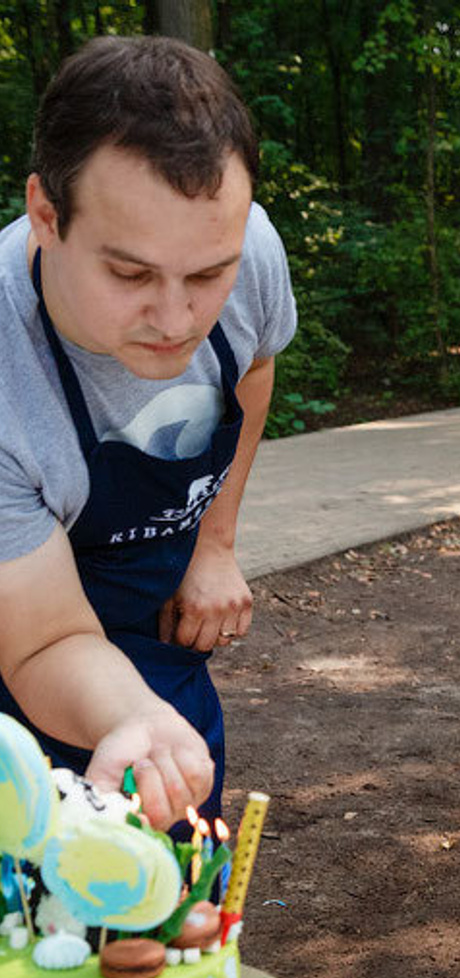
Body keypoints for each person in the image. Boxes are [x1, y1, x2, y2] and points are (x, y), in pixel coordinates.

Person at [0, 37, 296, 830]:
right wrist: (129, 714)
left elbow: (254, 369)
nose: (177, 321)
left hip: (149, 623)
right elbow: (40, 643)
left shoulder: (252, 250)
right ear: (45, 214)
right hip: (18, 628)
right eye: (130, 275)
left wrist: (215, 542)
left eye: (207, 277)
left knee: (176, 906)